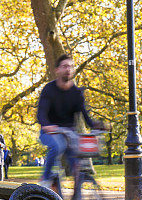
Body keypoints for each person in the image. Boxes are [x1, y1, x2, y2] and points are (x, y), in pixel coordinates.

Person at [36, 53, 105, 187]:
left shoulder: (76, 93)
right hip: (50, 133)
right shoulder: (49, 90)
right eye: (65, 66)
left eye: (71, 67)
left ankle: (76, 199)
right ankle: (45, 179)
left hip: (69, 134)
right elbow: (41, 113)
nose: (68, 69)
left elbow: (85, 115)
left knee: (77, 162)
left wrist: (97, 125)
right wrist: (46, 126)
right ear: (57, 70)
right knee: (58, 146)